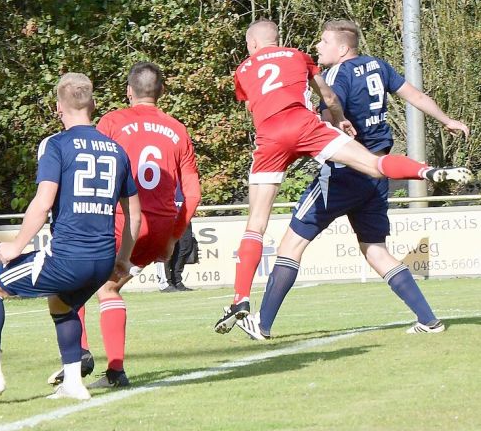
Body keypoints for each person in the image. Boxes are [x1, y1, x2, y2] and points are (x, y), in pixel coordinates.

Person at [215, 19, 471, 334]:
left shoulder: (334, 73)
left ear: (342, 47)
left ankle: (259, 320)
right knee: (374, 249)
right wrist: (447, 120)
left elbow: (326, 106)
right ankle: (428, 319)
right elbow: (415, 96)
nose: (318, 47)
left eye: (324, 42)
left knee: (288, 243)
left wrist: (335, 121)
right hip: (377, 173)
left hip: (340, 174)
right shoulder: (378, 65)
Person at [0, 73, 141, 401]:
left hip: (68, 256)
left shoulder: (56, 145)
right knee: (61, 304)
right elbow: (135, 214)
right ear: (92, 105)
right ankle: (74, 382)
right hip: (103, 258)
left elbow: (43, 202)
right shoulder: (117, 150)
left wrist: (15, 245)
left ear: (58, 108)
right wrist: (123, 259)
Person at [49, 62, 201, 389]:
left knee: (67, 287)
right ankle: (114, 372)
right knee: (109, 288)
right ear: (161, 92)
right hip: (159, 226)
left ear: (129, 91)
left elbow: (90, 163)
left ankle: (81, 355)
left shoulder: (113, 121)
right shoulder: (178, 128)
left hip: (121, 220)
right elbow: (193, 192)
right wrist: (174, 236)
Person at [166, 221, 199, 291]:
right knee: (168, 249)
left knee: (185, 248)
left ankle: (176, 281)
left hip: (184, 218)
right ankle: (168, 282)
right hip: (168, 217)